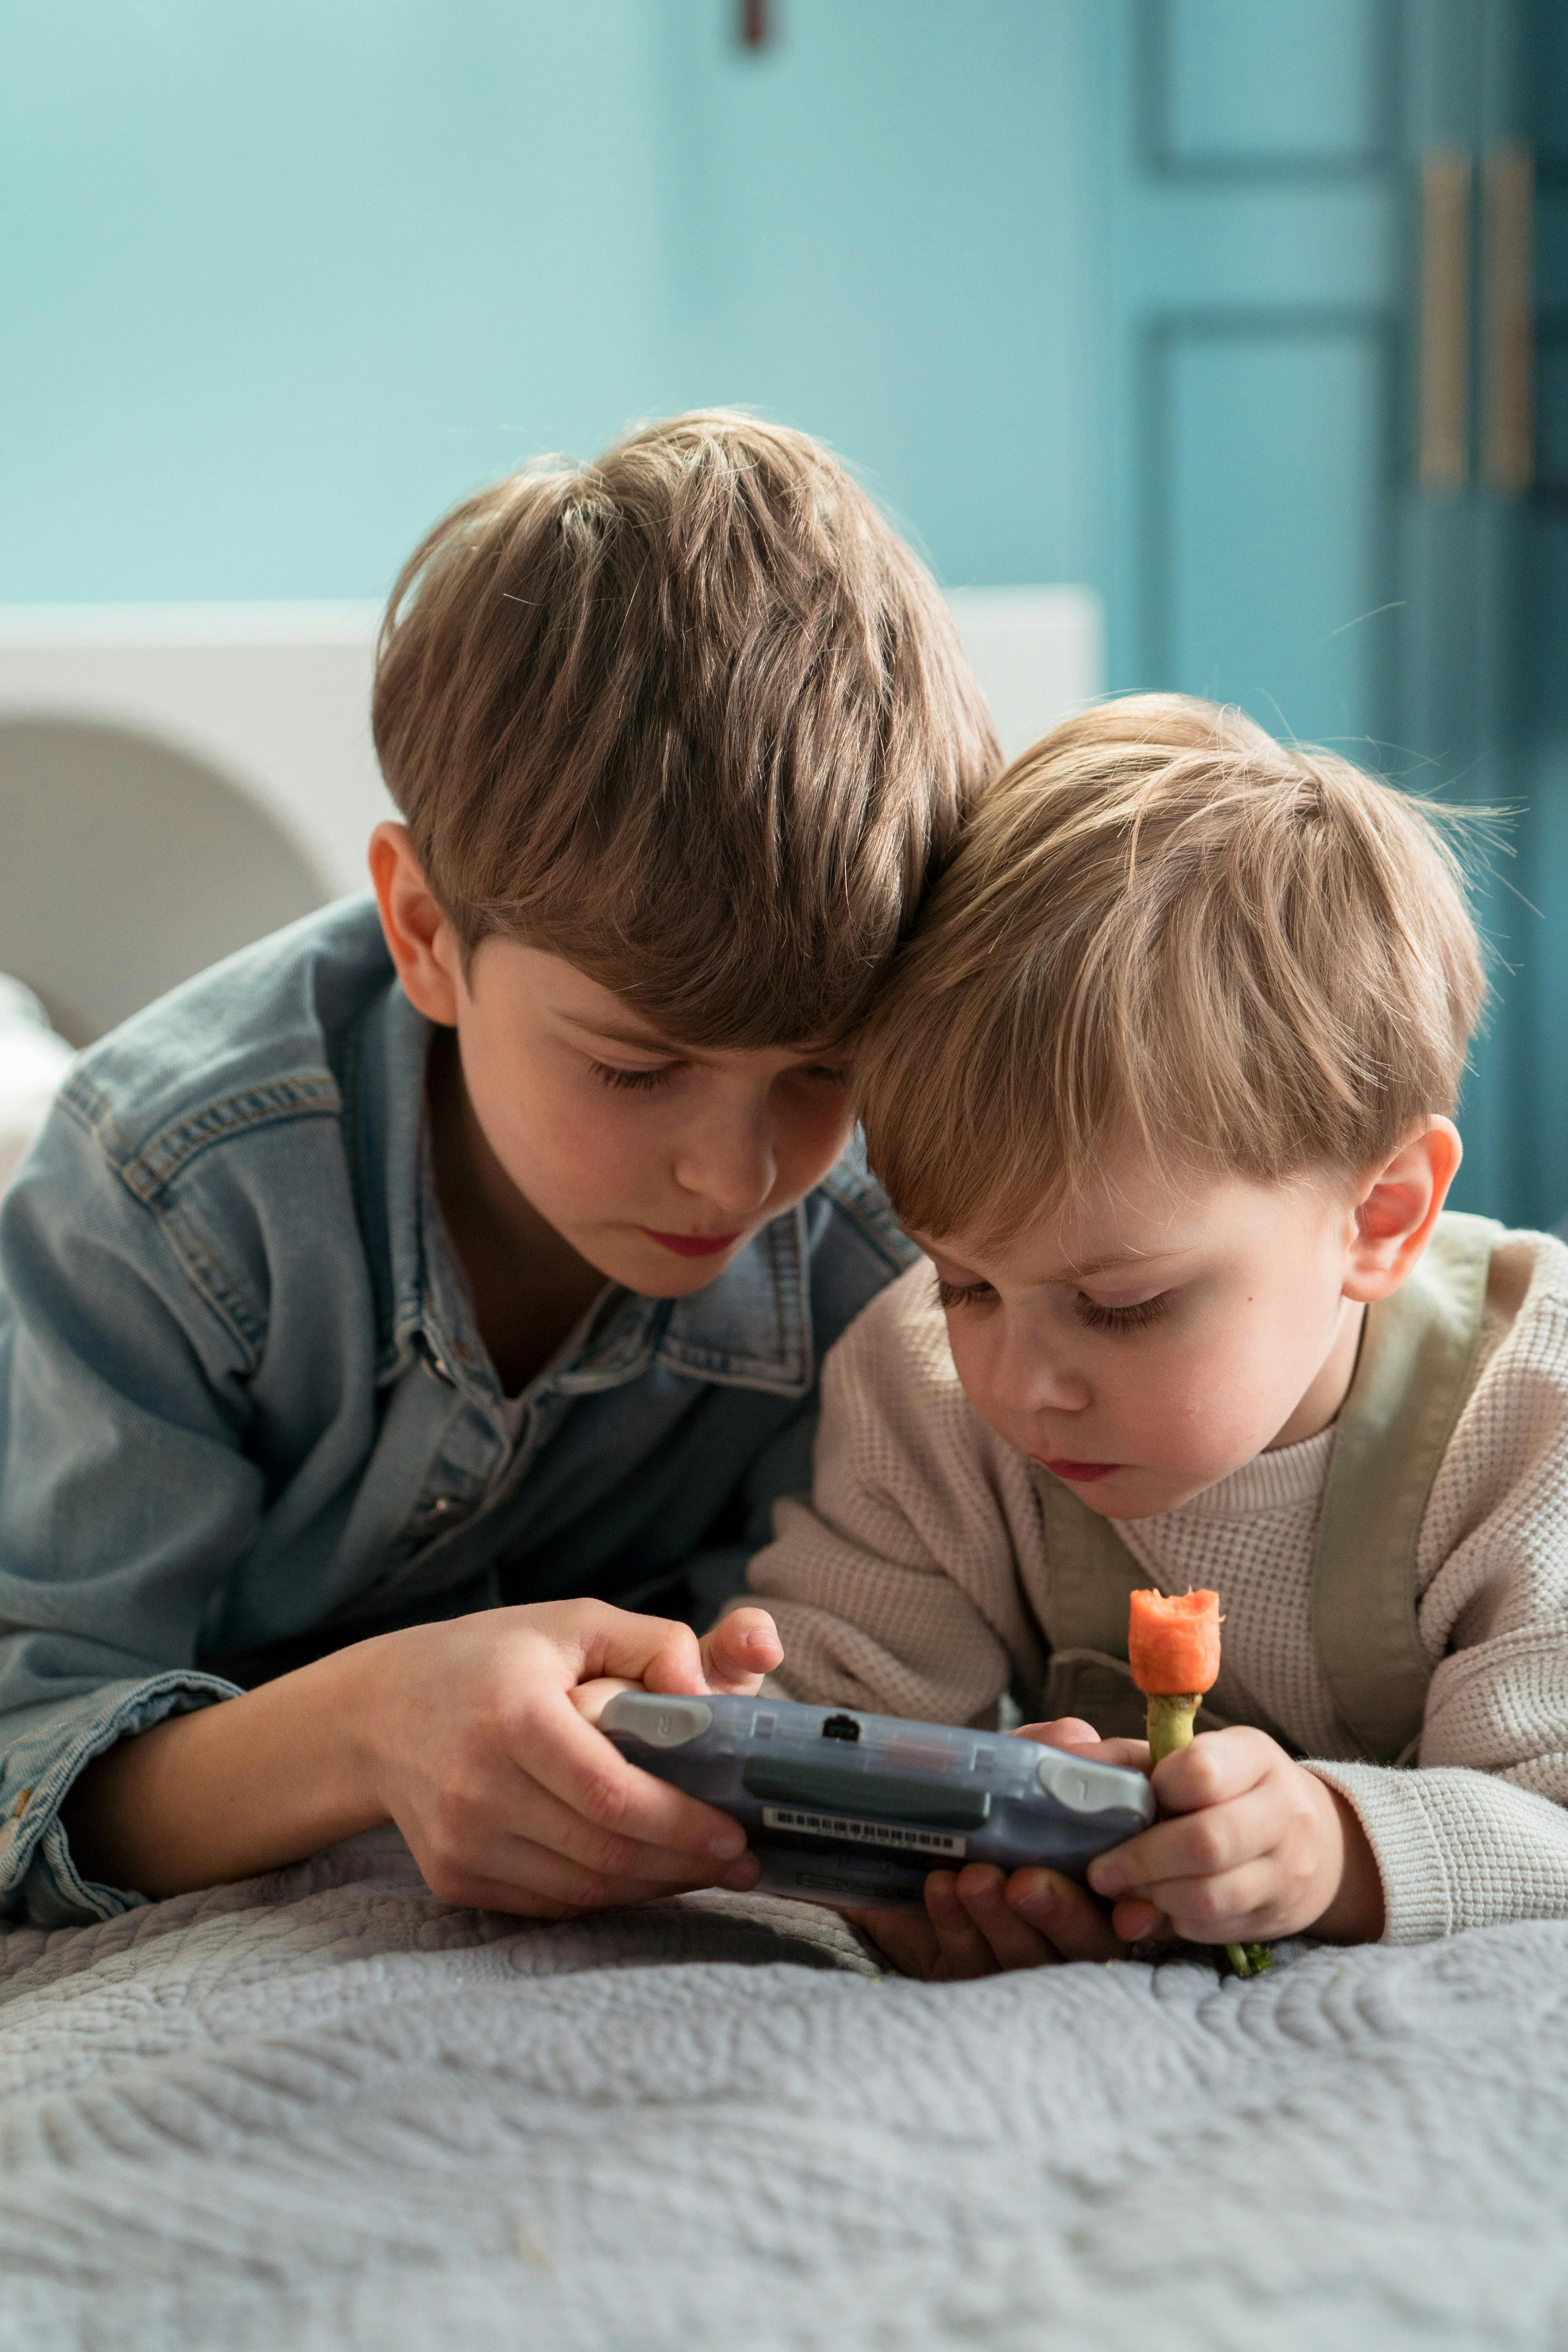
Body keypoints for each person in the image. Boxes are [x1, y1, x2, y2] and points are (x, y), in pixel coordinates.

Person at [0, 410, 998, 1928]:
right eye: (633, 1066)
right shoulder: (161, 1192)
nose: (739, 1177)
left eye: (821, 1069)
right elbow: (26, 1754)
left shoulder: (894, 1219)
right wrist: (367, 1727)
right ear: (422, 934)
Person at [745, 694, 1568, 1978]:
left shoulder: (1533, 1416)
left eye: (1121, 1305)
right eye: (965, 1281)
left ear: (1382, 1215)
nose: (1019, 1384)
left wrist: (1340, 1850)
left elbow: (1552, 1824)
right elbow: (829, 1732)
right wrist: (917, 1872)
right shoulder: (919, 1386)